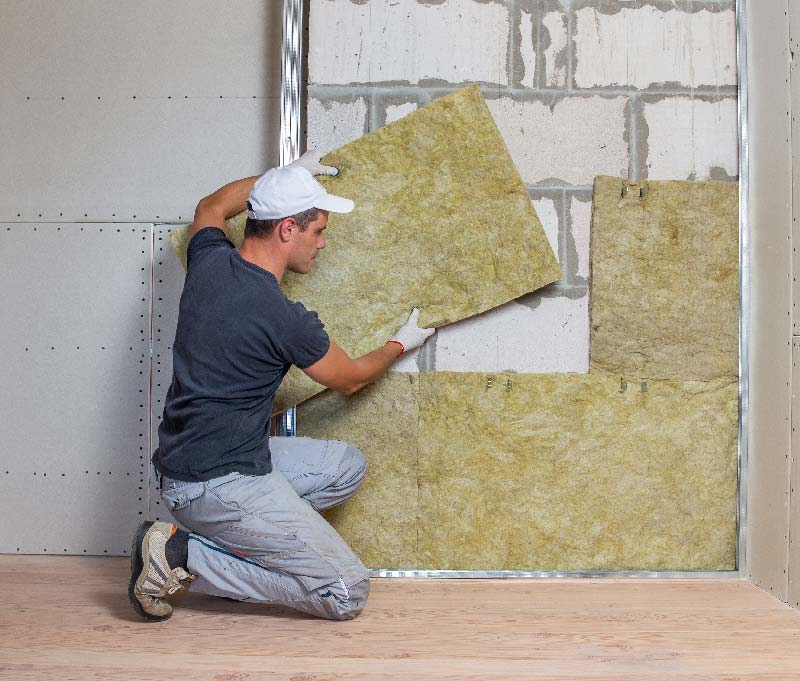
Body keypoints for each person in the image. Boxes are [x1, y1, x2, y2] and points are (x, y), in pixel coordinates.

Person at [128, 150, 434, 622]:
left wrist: (281, 178)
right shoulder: (283, 318)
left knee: (345, 466)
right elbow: (349, 379)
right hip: (215, 485)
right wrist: (401, 343)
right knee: (345, 591)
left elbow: (210, 206)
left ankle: (241, 545)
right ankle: (182, 556)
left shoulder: (209, 260)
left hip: (193, 465)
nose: (323, 244)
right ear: (288, 229)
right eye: (318, 231)